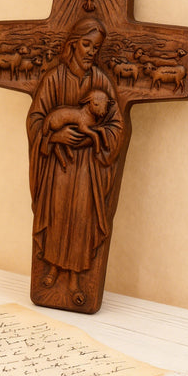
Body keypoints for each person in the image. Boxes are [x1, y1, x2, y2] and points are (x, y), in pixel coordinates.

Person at [26, 17, 125, 306]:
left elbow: (117, 125)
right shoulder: (53, 78)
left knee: (81, 221)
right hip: (59, 169)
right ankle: (53, 270)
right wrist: (55, 138)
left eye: (97, 47)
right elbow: (36, 120)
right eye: (86, 44)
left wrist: (96, 137)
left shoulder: (102, 81)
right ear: (72, 44)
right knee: (57, 217)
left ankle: (75, 279)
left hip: (88, 172)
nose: (92, 51)